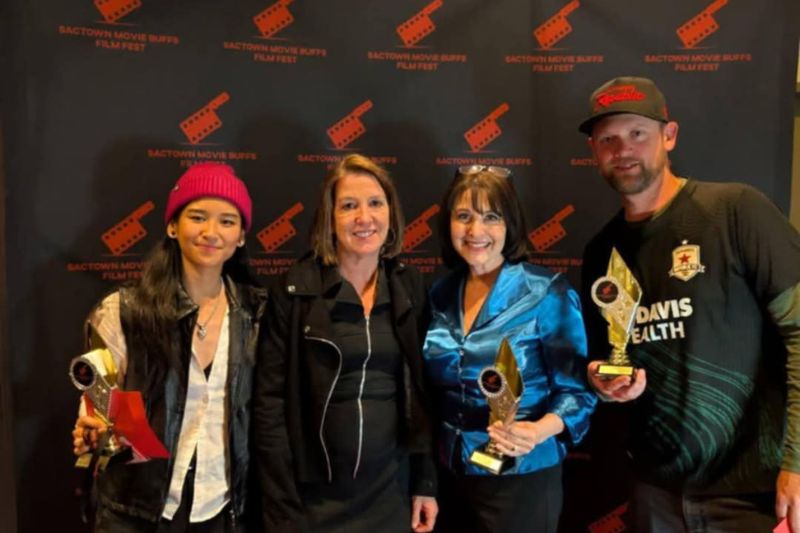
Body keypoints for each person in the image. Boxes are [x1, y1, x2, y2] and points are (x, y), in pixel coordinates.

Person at [579, 76, 800, 532]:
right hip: (655, 492)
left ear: (669, 135)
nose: (623, 149)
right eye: (608, 139)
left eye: (637, 133)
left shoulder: (735, 210)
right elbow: (610, 356)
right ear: (594, 152)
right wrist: (604, 381)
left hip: (751, 492)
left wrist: (797, 463)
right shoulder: (602, 252)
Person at [71, 162, 267, 532]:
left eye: (227, 221)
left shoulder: (257, 313)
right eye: (198, 217)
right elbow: (101, 408)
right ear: (172, 226)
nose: (212, 232)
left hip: (223, 510)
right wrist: (95, 428)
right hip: (136, 514)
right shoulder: (124, 311)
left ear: (241, 236)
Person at [253, 154, 438, 533]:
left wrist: (424, 482)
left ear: (391, 212)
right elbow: (269, 408)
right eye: (349, 206)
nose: (364, 218)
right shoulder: (295, 290)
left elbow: (423, 396)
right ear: (329, 217)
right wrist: (284, 511)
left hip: (390, 496)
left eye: (375, 203)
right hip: (312, 503)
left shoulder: (409, 287)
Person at [422, 166, 596, 533]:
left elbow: (578, 392)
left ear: (510, 225)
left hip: (522, 476)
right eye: (463, 216)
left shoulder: (546, 292)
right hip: (451, 475)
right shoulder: (438, 294)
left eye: (491, 217)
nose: (475, 231)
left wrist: (535, 431)